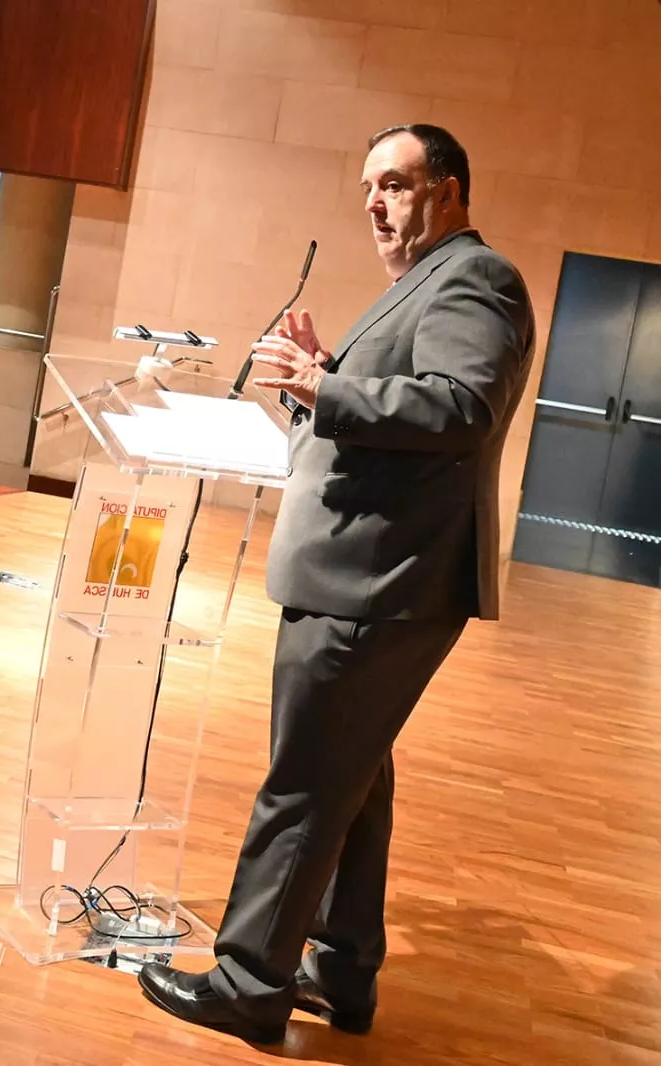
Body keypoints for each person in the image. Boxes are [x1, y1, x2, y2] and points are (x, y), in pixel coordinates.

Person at [136, 125, 535, 1044]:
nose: (374, 204)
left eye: (394, 184)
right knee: (352, 778)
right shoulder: (423, 284)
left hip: (377, 578)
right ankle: (342, 970)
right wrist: (315, 385)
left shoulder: (476, 277)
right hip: (367, 573)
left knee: (307, 784)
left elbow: (460, 406)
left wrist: (328, 387)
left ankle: (250, 982)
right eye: (366, 189)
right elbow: (391, 418)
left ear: (449, 189)